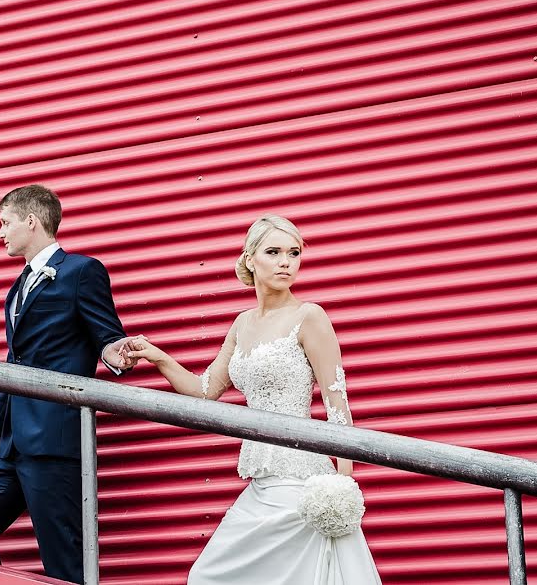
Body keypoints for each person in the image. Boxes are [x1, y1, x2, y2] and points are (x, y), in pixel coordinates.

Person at [125, 215, 381, 584]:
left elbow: (336, 403)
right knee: (208, 576)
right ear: (250, 259)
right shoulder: (242, 323)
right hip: (261, 481)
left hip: (302, 480)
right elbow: (205, 390)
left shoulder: (310, 316)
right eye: (273, 252)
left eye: (293, 253)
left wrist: (342, 484)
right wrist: (158, 356)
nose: (285, 262)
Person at [0, 184, 134, 584]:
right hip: (11, 448)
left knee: (65, 564)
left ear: (30, 221)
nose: (0, 233)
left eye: (4, 223)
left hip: (54, 440)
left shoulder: (81, 271)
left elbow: (107, 337)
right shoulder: (15, 290)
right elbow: (11, 373)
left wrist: (115, 355)